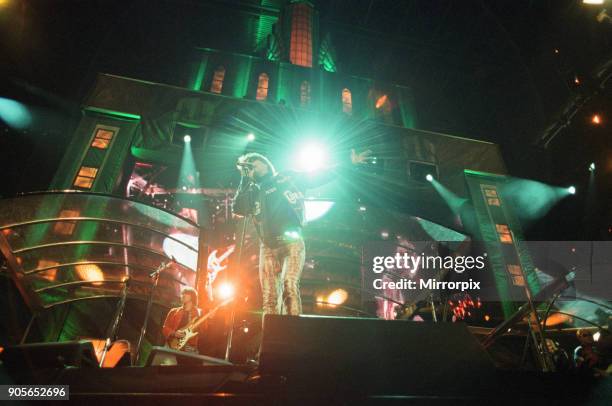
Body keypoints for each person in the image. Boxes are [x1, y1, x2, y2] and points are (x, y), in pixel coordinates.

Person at [232, 149, 370, 316]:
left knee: (289, 284)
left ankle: (291, 330)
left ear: (265, 163)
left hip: (291, 241)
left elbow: (318, 175)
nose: (252, 167)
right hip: (268, 247)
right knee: (269, 297)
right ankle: (272, 337)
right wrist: (244, 179)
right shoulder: (251, 192)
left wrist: (349, 163)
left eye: (254, 162)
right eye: (248, 167)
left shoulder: (286, 178)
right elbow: (238, 208)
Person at [162, 286, 203, 353]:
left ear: (192, 297)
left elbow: (202, 331)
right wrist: (174, 333)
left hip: (189, 348)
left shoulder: (198, 314)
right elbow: (164, 328)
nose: (183, 295)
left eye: (186, 293)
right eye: (182, 293)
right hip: (171, 345)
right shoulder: (173, 311)